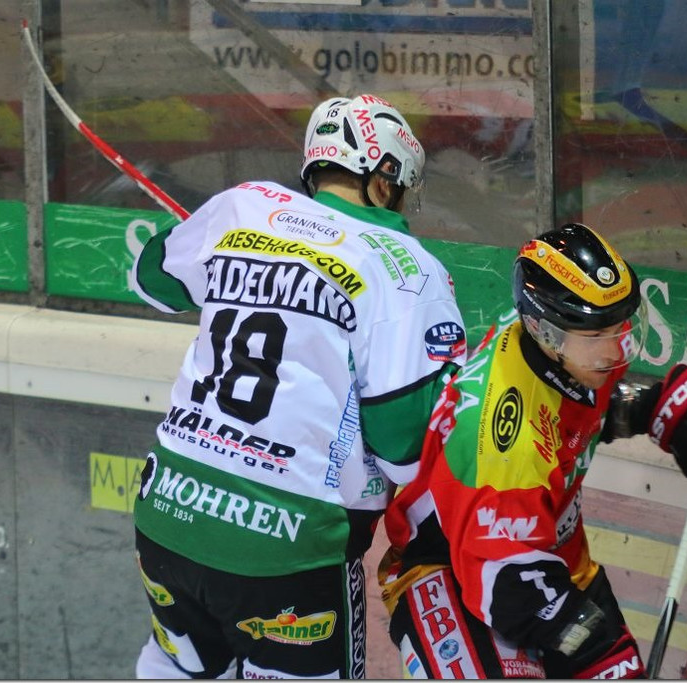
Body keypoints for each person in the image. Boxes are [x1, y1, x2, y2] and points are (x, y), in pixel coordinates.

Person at [128, 94, 467, 679]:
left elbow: (152, 281)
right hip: (287, 546)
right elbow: (405, 446)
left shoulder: (243, 206)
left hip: (169, 509)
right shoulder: (408, 269)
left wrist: (209, 236)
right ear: (385, 178)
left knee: (175, 669)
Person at [378, 223, 687, 679]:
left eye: (619, 326)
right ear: (547, 332)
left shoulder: (565, 351)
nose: (614, 349)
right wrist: (586, 638)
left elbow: (569, 421)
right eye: (597, 336)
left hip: (543, 556)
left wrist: (650, 409)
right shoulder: (506, 439)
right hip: (450, 571)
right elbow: (503, 577)